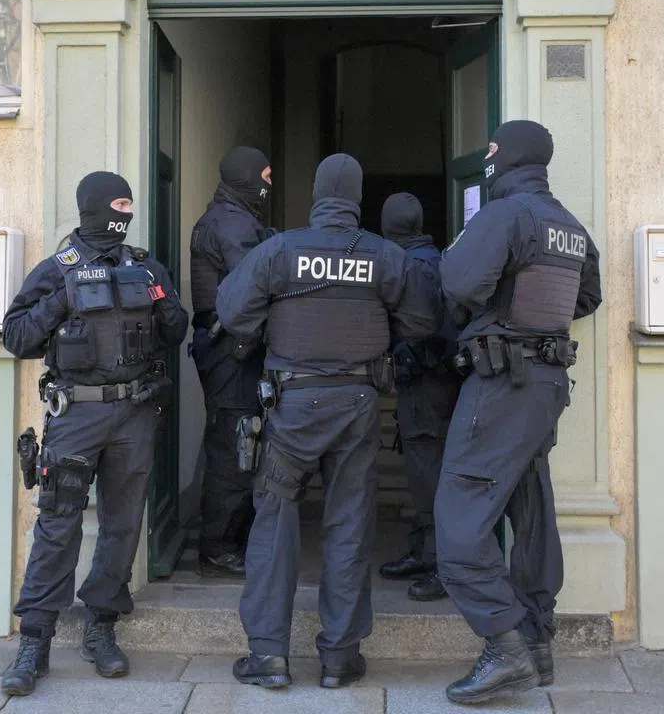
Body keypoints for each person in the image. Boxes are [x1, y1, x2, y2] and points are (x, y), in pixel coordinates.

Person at [215, 153, 439, 690]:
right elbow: (423, 320)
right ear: (357, 198)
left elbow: (232, 313)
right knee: (349, 523)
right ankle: (339, 657)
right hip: (357, 404)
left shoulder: (280, 249)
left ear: (316, 194)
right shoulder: (383, 256)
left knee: (274, 521)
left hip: (291, 404)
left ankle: (269, 655)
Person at [0, 171, 189, 697]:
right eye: (120, 203)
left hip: (134, 413)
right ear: (96, 206)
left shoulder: (144, 265)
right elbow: (16, 337)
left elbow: (175, 333)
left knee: (123, 524)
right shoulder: (58, 268)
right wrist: (62, 299)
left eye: (130, 202)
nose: (126, 212)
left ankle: (101, 625)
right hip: (76, 415)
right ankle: (34, 640)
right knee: (58, 524)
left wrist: (166, 302)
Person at [434, 120, 602, 705]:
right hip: (547, 385)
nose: (489, 156)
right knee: (530, 510)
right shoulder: (570, 227)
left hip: (503, 384)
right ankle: (536, 642)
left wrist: (500, 312)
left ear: (509, 157)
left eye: (494, 149)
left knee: (458, 520)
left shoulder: (504, 216)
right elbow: (587, 297)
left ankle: (504, 648)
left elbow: (457, 281)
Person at [188, 146, 275, 577]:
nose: (269, 183)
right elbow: (253, 282)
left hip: (228, 349)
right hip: (231, 352)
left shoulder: (232, 218)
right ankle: (219, 544)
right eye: (264, 175)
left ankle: (227, 538)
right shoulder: (230, 223)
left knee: (239, 442)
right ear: (246, 178)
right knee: (234, 447)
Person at [377, 192, 462, 602]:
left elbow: (431, 331)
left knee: (431, 474)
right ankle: (422, 551)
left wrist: (402, 358)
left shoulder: (414, 266)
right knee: (421, 471)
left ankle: (441, 566)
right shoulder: (431, 257)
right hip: (429, 383)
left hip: (430, 384)